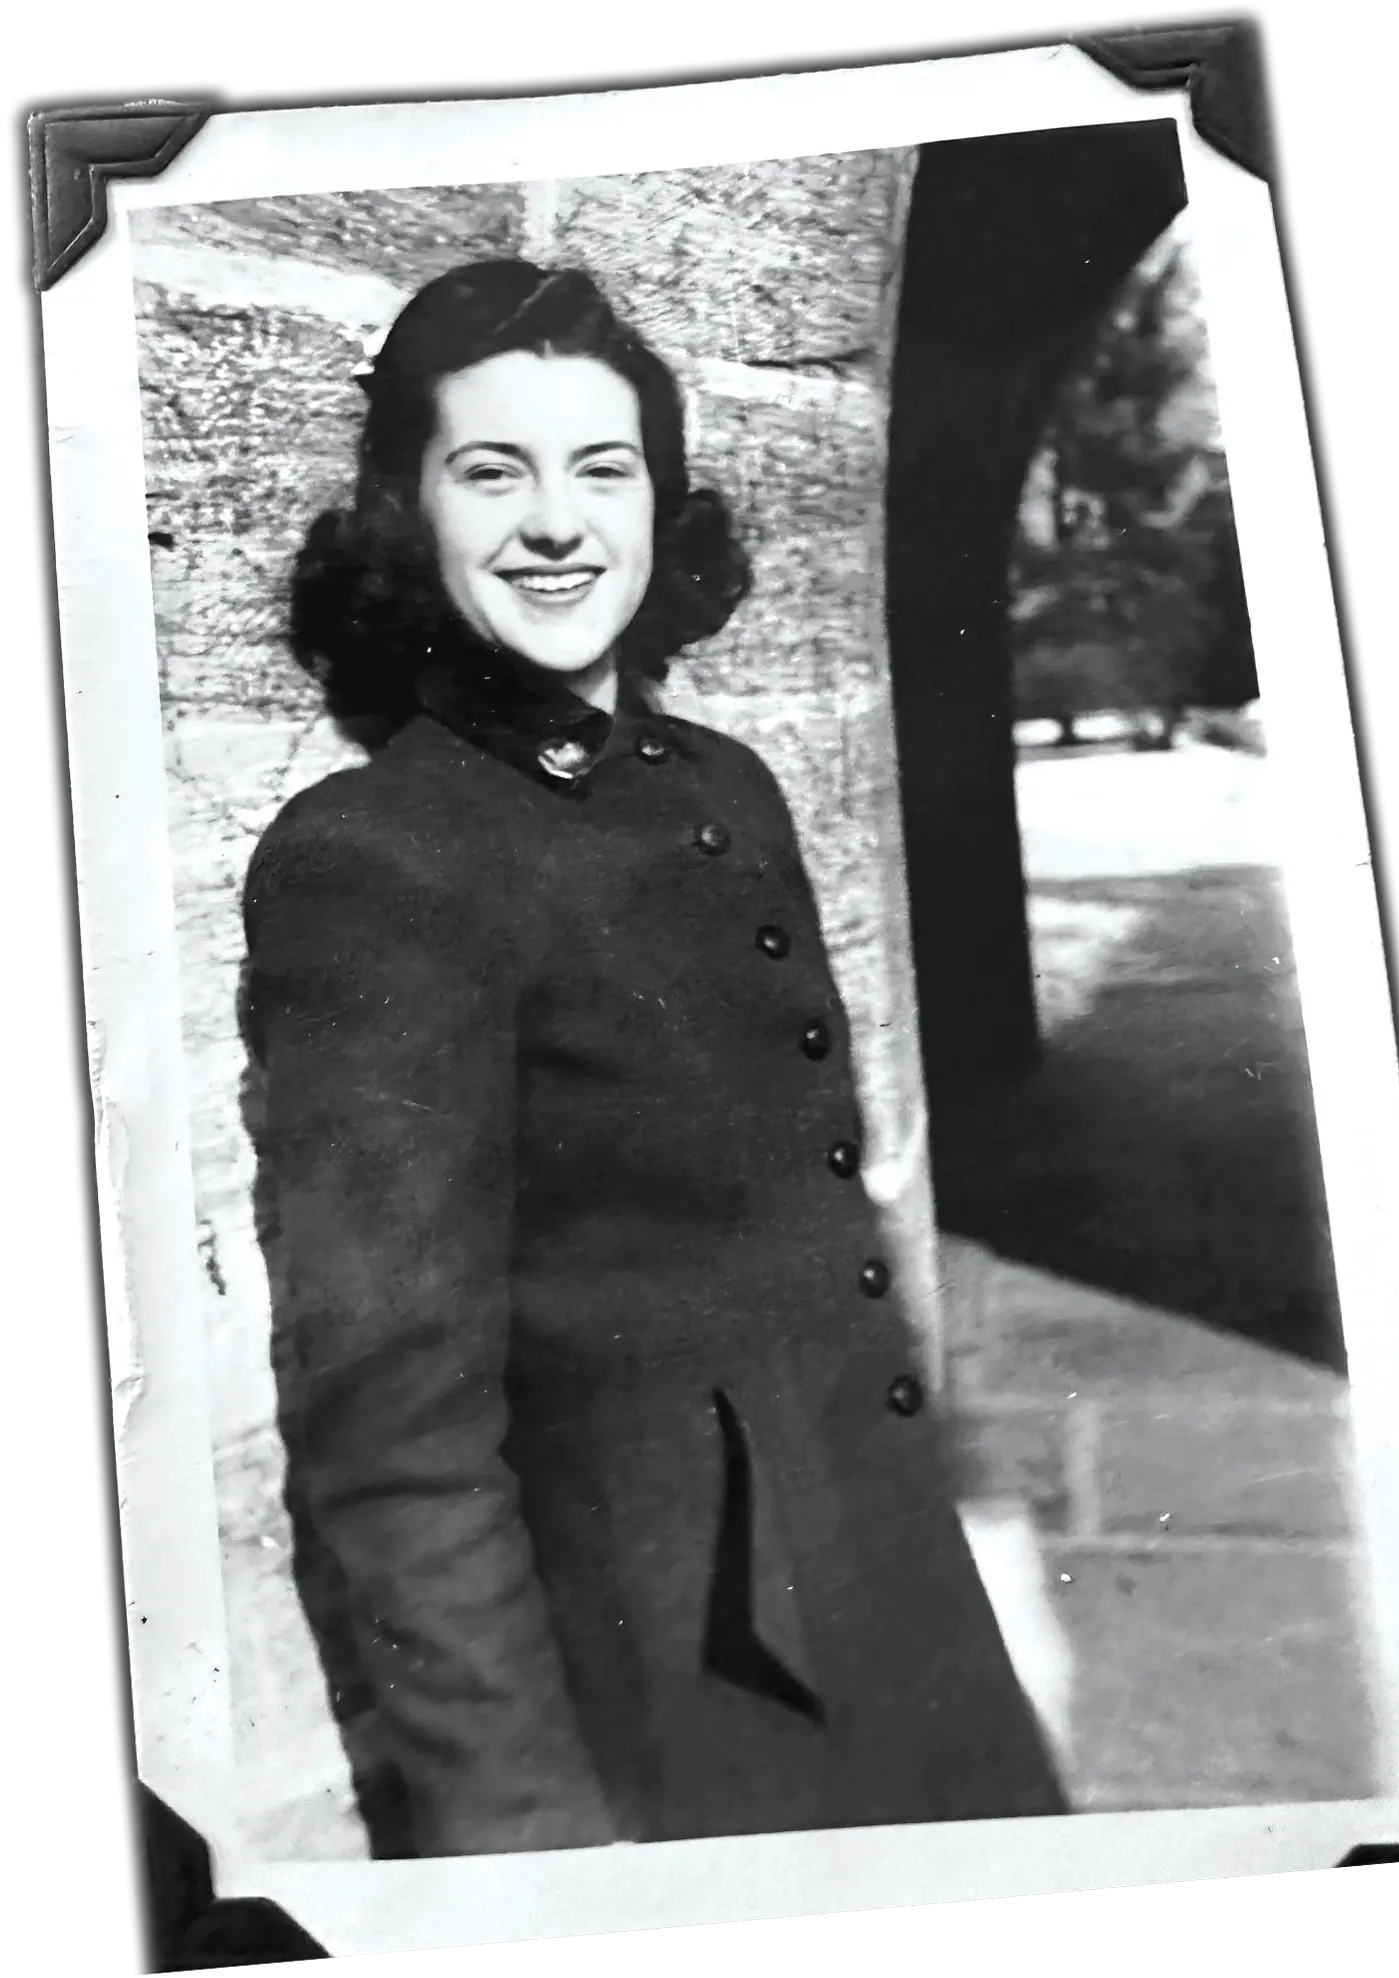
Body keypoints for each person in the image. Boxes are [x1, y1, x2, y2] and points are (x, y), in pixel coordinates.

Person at [243, 259, 1065, 1859]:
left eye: (601, 467)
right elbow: (394, 1434)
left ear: (658, 502)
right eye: (492, 470)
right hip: (696, 1690)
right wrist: (532, 1853)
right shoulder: (379, 858)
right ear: (409, 510)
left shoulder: (730, 785)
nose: (557, 523)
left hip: (901, 1611)